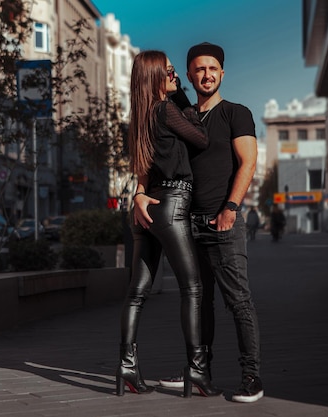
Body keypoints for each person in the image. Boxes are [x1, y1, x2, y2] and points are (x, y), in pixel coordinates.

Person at [139, 42, 263, 403]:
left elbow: (248, 163)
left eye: (212, 69)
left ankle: (251, 376)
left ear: (222, 73)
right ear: (190, 75)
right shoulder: (181, 114)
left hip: (223, 220)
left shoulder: (236, 113)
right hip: (186, 223)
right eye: (199, 69)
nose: (206, 75)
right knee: (199, 301)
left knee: (238, 300)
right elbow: (154, 160)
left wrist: (231, 207)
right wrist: (139, 192)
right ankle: (199, 370)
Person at [116, 50, 221, 398]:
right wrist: (177, 95)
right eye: (170, 72)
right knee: (193, 288)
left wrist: (138, 194)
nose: (175, 76)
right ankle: (198, 371)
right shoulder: (165, 109)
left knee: (136, 293)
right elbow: (201, 138)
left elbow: (143, 169)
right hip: (174, 204)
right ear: (157, 78)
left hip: (146, 209)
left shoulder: (141, 118)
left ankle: (126, 366)